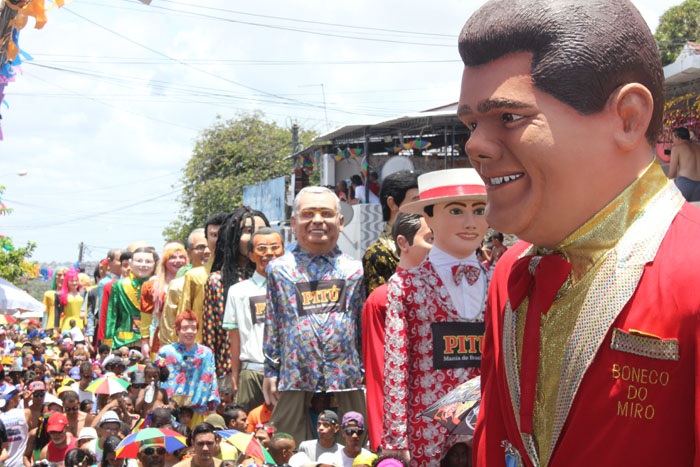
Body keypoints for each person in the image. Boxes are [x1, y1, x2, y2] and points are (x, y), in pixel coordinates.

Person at [456, 1, 700, 465]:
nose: (474, 145)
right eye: (470, 124)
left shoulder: (693, 268)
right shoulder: (510, 270)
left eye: (508, 116)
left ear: (628, 118)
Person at [382, 168, 489, 465]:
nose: (470, 223)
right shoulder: (406, 286)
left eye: (479, 210)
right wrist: (395, 436)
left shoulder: (501, 280)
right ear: (428, 218)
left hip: (489, 425)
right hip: (427, 432)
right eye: (456, 210)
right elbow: (395, 365)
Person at [263, 186, 367, 445]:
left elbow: (361, 326)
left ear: (340, 221)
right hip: (295, 375)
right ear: (294, 222)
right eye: (309, 213)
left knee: (356, 448)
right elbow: (273, 323)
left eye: (326, 213)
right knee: (285, 448)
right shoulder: (279, 270)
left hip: (347, 377)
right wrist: (270, 371)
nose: (318, 220)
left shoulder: (355, 270)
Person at [362, 213, 433, 451]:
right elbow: (380, 370)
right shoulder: (383, 298)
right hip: (406, 432)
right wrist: (388, 437)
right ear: (403, 243)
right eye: (431, 239)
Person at [204, 208, 269, 391]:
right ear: (233, 236)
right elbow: (211, 335)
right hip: (230, 374)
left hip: (275, 370)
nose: (256, 236)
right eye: (248, 231)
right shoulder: (217, 282)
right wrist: (214, 379)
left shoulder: (280, 278)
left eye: (261, 229)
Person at [223, 227, 283, 412]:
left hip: (286, 373)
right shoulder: (238, 291)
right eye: (262, 248)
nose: (269, 253)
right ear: (250, 255)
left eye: (275, 247)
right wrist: (235, 376)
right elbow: (235, 338)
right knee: (246, 430)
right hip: (251, 372)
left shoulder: (292, 288)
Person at [361, 170, 420, 294]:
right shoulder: (377, 254)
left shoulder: (433, 244)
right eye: (416, 200)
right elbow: (377, 303)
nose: (422, 208)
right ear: (392, 203)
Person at [157, 310, 219, 424]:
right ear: (177, 329)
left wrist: (212, 408)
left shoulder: (207, 354)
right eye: (185, 328)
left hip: (199, 412)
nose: (189, 331)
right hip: (171, 411)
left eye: (193, 328)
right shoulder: (164, 352)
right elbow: (156, 376)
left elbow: (212, 381)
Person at [178, 213, 228, 344]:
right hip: (200, 350)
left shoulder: (244, 274)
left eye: (224, 233)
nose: (220, 239)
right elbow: (184, 316)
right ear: (207, 239)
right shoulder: (195, 276)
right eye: (214, 235)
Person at [161, 229, 209, 347]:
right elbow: (168, 328)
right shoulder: (177, 286)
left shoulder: (221, 281)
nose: (207, 251)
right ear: (189, 252)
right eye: (201, 247)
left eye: (210, 246)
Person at [141, 242, 188, 357]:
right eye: (172, 257)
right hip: (160, 339)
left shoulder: (192, 282)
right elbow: (146, 318)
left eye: (181, 257)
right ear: (164, 260)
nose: (178, 261)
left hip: (188, 336)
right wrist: (145, 342)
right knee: (161, 371)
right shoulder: (151, 286)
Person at [105, 248, 157, 349]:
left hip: (152, 341)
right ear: (130, 263)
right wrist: (107, 345)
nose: (143, 265)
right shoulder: (119, 285)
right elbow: (111, 318)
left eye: (148, 261)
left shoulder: (159, 286)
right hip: (124, 341)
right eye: (139, 261)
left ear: (154, 264)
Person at [668, 127, 700, 201]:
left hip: (685, 184)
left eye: (673, 138)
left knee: (681, 210)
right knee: (696, 211)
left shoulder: (677, 149)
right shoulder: (698, 147)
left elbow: (672, 173)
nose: (673, 141)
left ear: (678, 137)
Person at [0, 385, 27, 467]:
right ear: (11, 399)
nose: (18, 395)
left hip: (4, 463)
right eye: (16, 394)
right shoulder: (24, 413)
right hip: (21, 463)